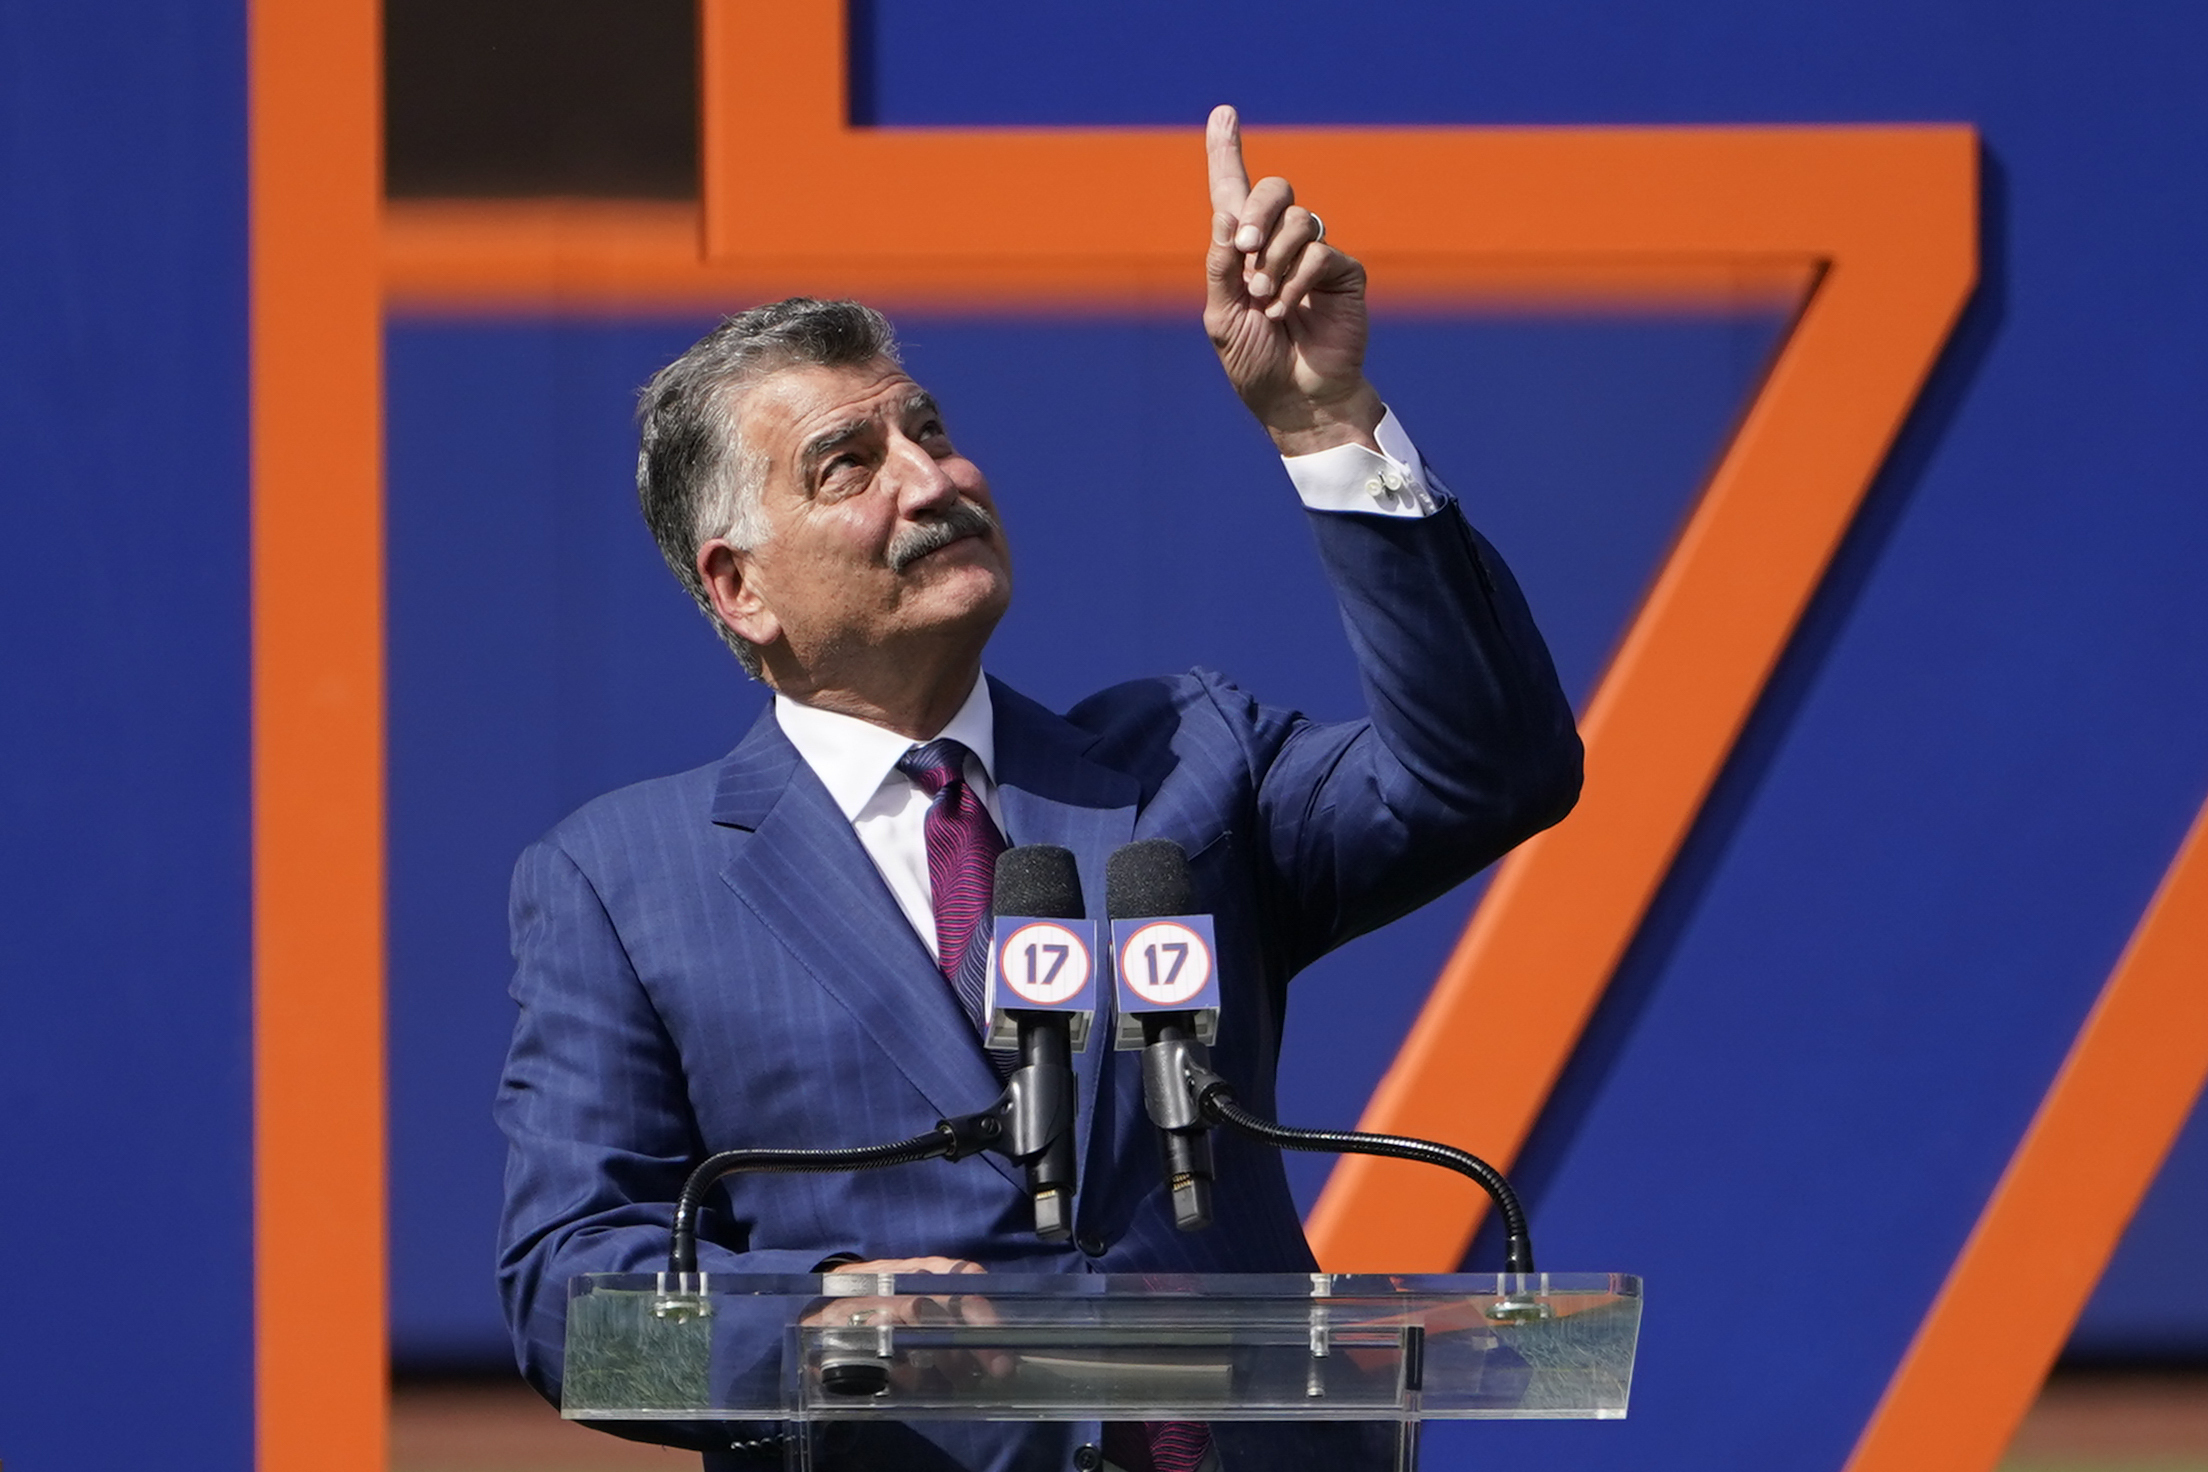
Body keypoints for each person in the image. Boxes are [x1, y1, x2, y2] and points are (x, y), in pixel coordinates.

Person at [496, 106, 1582, 1472]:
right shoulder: (621, 881)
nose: (934, 477)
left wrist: (1325, 423)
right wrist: (825, 1321)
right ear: (739, 585)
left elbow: (1494, 770)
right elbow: (569, 1304)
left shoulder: (1190, 765)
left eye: (930, 431)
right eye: (853, 465)